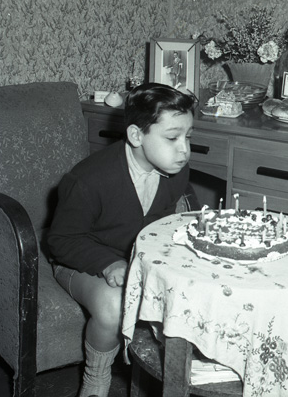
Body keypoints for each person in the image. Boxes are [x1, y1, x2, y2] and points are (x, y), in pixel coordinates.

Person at [47, 83, 195, 397]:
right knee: (115, 305)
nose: (184, 150)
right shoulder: (88, 179)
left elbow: (162, 223)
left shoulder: (176, 170)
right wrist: (109, 264)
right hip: (79, 262)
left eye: (188, 137)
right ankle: (95, 378)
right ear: (136, 136)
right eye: (172, 138)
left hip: (137, 261)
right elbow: (60, 240)